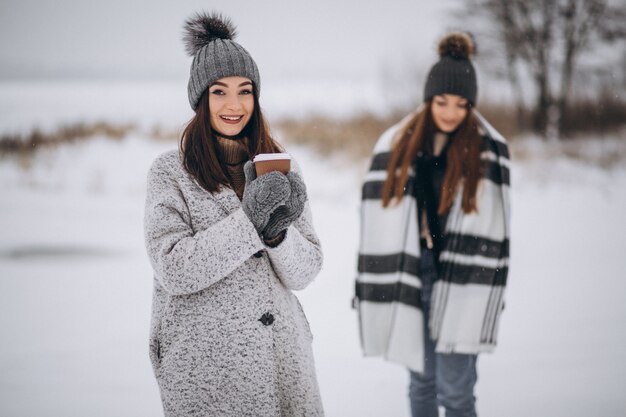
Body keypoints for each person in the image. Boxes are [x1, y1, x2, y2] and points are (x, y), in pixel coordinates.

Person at [143, 12, 324, 416]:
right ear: (200, 99)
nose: (234, 105)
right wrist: (250, 224)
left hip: (284, 366)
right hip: (205, 372)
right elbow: (174, 268)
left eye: (245, 91)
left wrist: (277, 235)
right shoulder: (169, 172)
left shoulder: (281, 168)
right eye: (219, 92)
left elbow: (306, 269)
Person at [354, 32, 510, 417]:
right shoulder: (398, 148)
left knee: (456, 390)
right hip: (413, 272)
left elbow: (496, 226)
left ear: (471, 106)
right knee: (421, 384)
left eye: (461, 104)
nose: (450, 112)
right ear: (429, 100)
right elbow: (378, 218)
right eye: (442, 101)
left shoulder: (486, 152)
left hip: (461, 278)